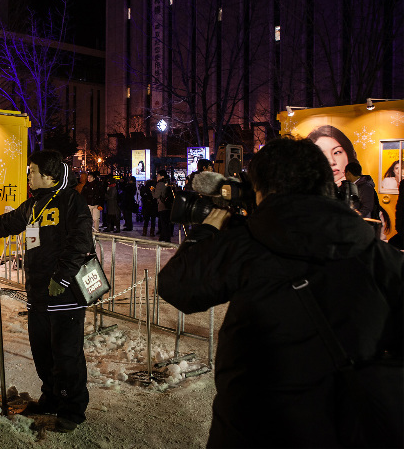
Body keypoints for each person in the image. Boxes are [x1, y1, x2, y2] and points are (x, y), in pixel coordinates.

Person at [158, 137, 403, 447]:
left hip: (253, 427)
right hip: (349, 430)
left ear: (264, 190)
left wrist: (214, 222)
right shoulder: (382, 258)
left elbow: (176, 286)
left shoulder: (246, 246)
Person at [0, 150, 92, 433]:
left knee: (67, 356)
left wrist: (63, 277)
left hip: (64, 297)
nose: (28, 176)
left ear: (49, 176)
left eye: (32, 171)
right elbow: (3, 225)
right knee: (43, 353)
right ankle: (51, 399)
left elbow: (81, 241)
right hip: (39, 295)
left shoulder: (71, 201)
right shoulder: (33, 206)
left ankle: (72, 410)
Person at [153, 170, 174, 242]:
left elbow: (156, 196)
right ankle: (165, 237)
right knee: (167, 222)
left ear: (162, 176)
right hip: (169, 205)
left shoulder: (160, 184)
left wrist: (152, 190)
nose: (157, 177)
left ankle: (165, 238)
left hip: (162, 205)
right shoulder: (168, 183)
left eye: (158, 176)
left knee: (163, 223)